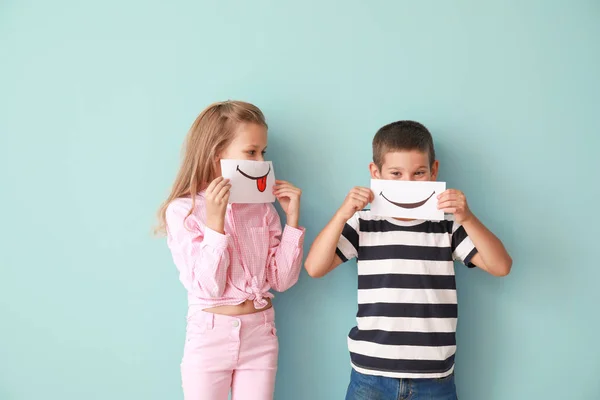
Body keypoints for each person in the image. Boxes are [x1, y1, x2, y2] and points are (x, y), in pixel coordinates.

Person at [304, 120, 512, 399]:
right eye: (396, 174)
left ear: (434, 171)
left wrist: (467, 217)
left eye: (419, 173)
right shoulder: (363, 224)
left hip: (434, 379)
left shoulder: (446, 226)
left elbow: (501, 266)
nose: (408, 183)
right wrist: (342, 214)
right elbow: (314, 268)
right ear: (375, 173)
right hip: (370, 374)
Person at [156, 100, 304, 400]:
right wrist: (214, 222)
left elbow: (282, 281)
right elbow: (208, 288)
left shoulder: (262, 209)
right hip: (210, 335)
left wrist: (292, 222)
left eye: (263, 152)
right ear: (216, 154)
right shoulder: (183, 211)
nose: (261, 161)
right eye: (251, 152)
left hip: (260, 334)